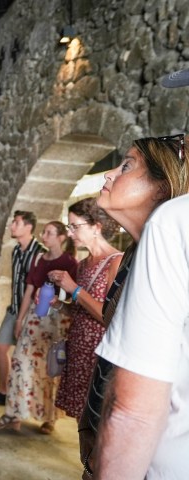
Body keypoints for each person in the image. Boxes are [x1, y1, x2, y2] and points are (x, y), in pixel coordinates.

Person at [76, 132, 188, 478]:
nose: (108, 175)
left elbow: (134, 409)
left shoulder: (170, 230)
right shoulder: (132, 258)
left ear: (160, 187)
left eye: (126, 166)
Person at [0, 221, 77, 433]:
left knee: (51, 369)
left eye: (49, 233)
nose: (44, 236)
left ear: (61, 238)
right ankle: (13, 412)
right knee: (21, 362)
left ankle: (50, 418)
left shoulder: (70, 263)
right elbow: (30, 290)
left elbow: (73, 297)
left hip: (56, 321)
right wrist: (20, 319)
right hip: (34, 319)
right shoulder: (39, 258)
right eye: (44, 232)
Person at [50, 198, 122, 420]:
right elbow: (80, 311)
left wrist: (73, 288)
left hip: (98, 354)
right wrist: (60, 304)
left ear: (96, 227)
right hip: (78, 349)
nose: (70, 233)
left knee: (97, 419)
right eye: (69, 227)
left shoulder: (116, 262)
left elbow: (109, 316)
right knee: (82, 419)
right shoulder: (82, 265)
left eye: (75, 226)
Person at [0, 211, 44, 405]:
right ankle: (3, 391)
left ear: (28, 227)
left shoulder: (39, 253)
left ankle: (26, 399)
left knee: (28, 357)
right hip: (14, 309)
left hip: (31, 313)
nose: (11, 226)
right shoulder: (16, 251)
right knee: (0, 347)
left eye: (16, 223)